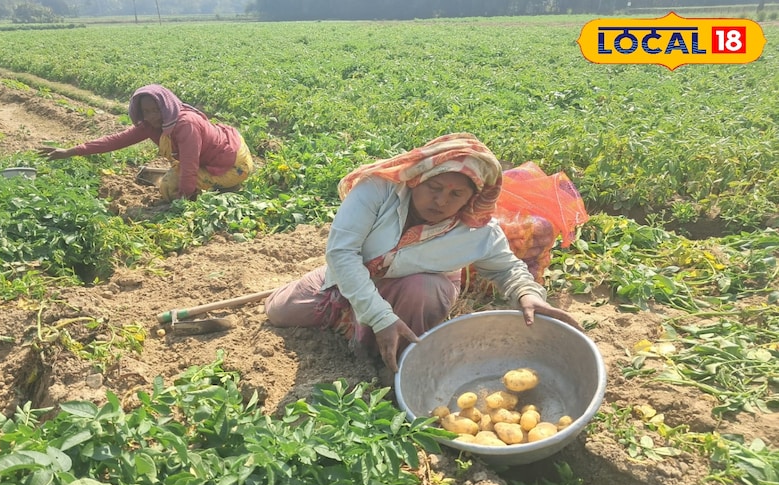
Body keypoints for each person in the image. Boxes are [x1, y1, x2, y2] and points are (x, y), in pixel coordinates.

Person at [264, 133, 581, 374]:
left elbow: (508, 269)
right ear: (417, 179)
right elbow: (342, 253)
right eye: (435, 187)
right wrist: (378, 314)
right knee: (281, 312)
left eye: (456, 194)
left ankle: (398, 367)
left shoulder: (476, 230)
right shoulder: (377, 190)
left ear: (470, 199)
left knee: (422, 291)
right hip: (361, 272)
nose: (441, 201)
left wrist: (528, 294)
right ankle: (357, 314)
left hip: (416, 287)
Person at [38, 84, 253, 200]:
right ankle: (209, 186)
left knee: (170, 185)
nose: (151, 116)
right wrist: (71, 151)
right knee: (174, 177)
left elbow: (189, 167)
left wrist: (182, 201)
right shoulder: (152, 124)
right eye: (146, 111)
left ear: (166, 105)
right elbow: (116, 140)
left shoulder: (186, 125)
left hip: (235, 164)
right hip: (214, 156)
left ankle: (227, 187)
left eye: (156, 110)